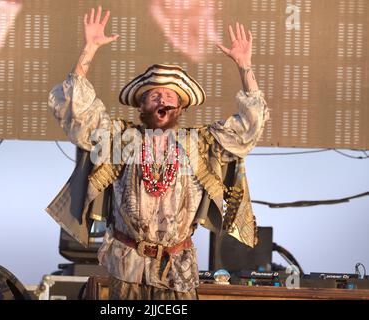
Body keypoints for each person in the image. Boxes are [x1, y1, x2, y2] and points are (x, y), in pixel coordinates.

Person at [47, 6, 269, 300]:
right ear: (141, 106)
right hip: (127, 268)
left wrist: (245, 68)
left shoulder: (200, 144)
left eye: (169, 95)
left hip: (178, 271)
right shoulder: (120, 139)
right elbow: (77, 111)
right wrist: (88, 52)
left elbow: (249, 129)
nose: (162, 99)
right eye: (154, 95)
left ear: (180, 107)